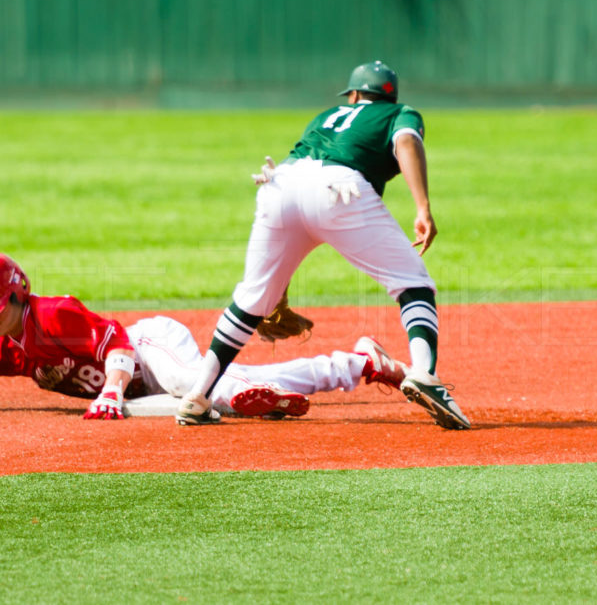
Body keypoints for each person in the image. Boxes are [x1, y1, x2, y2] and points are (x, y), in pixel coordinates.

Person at [176, 60, 470, 430]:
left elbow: (304, 186)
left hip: (278, 184)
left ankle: (198, 396)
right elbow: (407, 141)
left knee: (252, 299)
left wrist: (276, 284)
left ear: (354, 94)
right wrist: (423, 207)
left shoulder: (327, 115)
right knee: (414, 283)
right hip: (339, 189)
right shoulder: (400, 113)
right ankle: (424, 373)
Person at [0, 251, 408, 419]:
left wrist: (111, 390)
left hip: (148, 348)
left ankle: (350, 364)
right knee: (209, 404)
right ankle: (356, 364)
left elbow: (115, 342)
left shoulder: (54, 313)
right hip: (135, 394)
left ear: (18, 293)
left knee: (193, 384)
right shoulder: (3, 348)